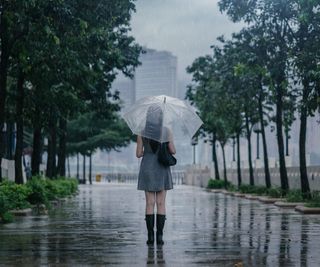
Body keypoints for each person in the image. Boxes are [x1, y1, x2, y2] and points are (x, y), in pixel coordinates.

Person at [136, 105, 176, 246]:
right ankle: (159, 237)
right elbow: (173, 150)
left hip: (147, 167)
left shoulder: (142, 132)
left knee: (149, 203)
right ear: (160, 117)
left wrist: (146, 150)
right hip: (161, 168)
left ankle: (150, 237)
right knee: (160, 203)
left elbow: (138, 154)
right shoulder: (166, 131)